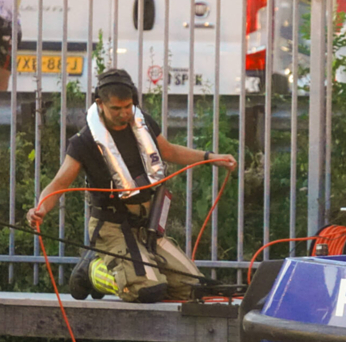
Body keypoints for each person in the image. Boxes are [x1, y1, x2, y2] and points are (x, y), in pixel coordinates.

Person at [26, 69, 237, 303]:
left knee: (195, 289)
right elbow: (60, 182)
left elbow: (169, 151)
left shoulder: (142, 123)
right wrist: (41, 208)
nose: (124, 114)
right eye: (116, 108)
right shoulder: (83, 142)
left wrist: (210, 157)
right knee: (147, 290)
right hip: (111, 228)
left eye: (128, 106)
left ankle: (140, 269)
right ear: (100, 104)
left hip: (147, 228)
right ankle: (93, 272)